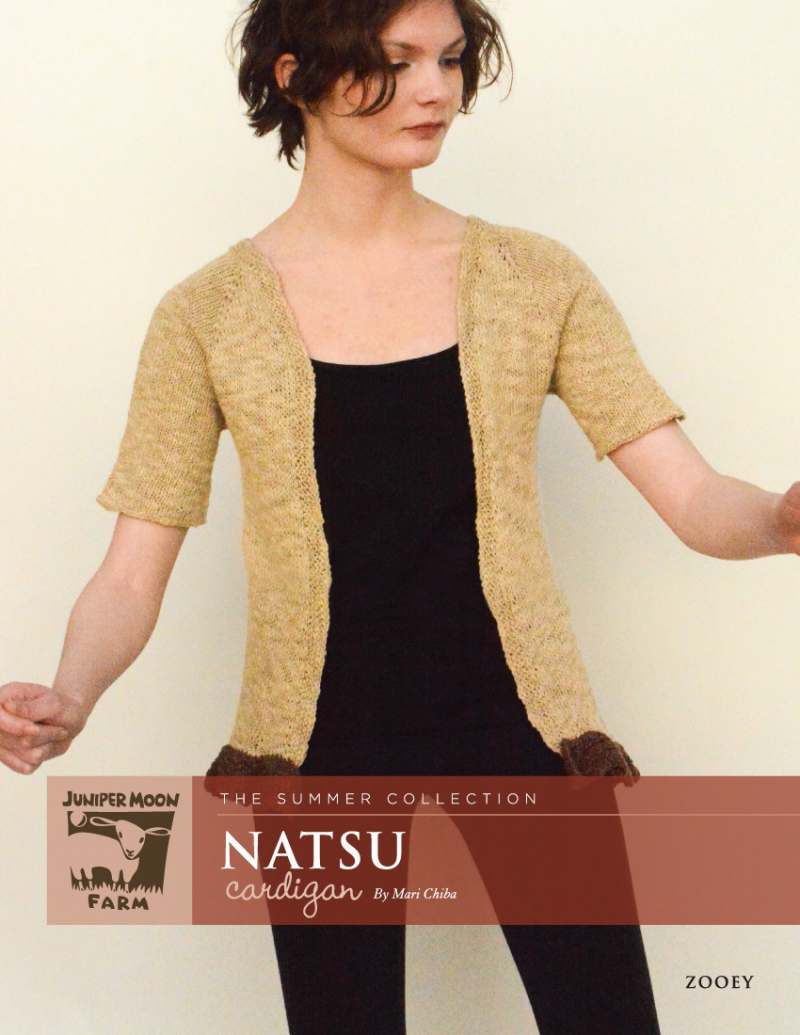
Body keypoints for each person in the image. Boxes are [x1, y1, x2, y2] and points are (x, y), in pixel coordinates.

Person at [2, 1, 799, 1032]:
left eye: (450, 61)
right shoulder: (205, 315)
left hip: (521, 725)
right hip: (314, 745)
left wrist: (780, 518)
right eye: (395, 61)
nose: (434, 91)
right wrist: (71, 693)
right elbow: (129, 570)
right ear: (295, 75)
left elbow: (691, 497)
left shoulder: (535, 279)